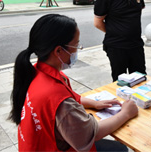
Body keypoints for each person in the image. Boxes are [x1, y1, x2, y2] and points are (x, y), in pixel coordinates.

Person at [9, 14, 138, 151]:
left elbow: (69, 97)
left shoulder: (37, 72)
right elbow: (92, 134)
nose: (77, 50)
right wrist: (125, 113)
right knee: (120, 149)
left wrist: (94, 103)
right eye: (76, 45)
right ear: (58, 50)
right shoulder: (58, 99)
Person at [94, 0, 146, 82]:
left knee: (140, 79)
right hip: (116, 47)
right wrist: (116, 32)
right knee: (120, 83)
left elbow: (139, 10)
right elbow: (98, 23)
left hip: (136, 45)